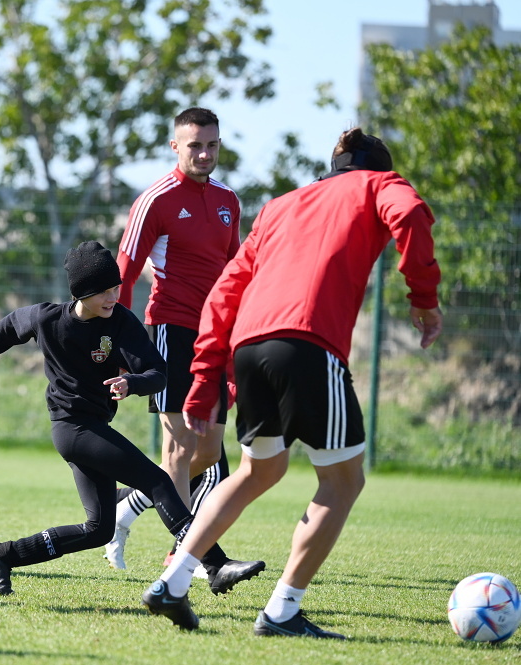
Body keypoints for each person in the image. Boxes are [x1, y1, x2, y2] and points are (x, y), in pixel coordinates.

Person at [142, 128, 443, 637]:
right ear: (378, 169)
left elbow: (224, 292)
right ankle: (282, 612)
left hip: (249, 348)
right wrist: (424, 299)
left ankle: (172, 581)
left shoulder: (282, 205)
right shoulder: (379, 184)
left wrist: (205, 376)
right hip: (307, 343)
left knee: (258, 470)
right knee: (343, 481)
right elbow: (411, 213)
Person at [0, 241, 192, 614]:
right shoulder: (47, 318)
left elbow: (156, 373)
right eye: (104, 291)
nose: (113, 297)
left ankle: (2, 555)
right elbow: (9, 327)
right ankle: (213, 562)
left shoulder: (120, 321)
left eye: (115, 288)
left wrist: (131, 382)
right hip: (72, 428)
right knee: (158, 481)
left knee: (99, 529)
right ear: (81, 293)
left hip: (93, 427)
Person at [108, 106, 263, 594]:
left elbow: (236, 271)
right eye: (195, 145)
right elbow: (125, 274)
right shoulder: (155, 200)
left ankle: (130, 505)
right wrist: (119, 344)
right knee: (177, 449)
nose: (204, 153)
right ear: (175, 146)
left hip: (214, 337)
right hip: (169, 329)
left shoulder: (228, 200)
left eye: (212, 145)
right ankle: (188, 554)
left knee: (208, 453)